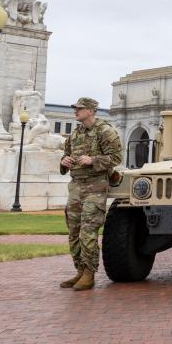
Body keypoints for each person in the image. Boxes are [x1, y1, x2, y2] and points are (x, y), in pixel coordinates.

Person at [59, 96, 121, 291]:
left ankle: (89, 273)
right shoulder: (75, 134)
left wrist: (93, 160)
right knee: (74, 231)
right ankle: (80, 270)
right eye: (75, 108)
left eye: (79, 108)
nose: (75, 111)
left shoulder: (105, 131)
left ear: (91, 111)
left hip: (95, 186)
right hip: (76, 187)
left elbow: (116, 158)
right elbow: (66, 155)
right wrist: (64, 162)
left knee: (88, 231)